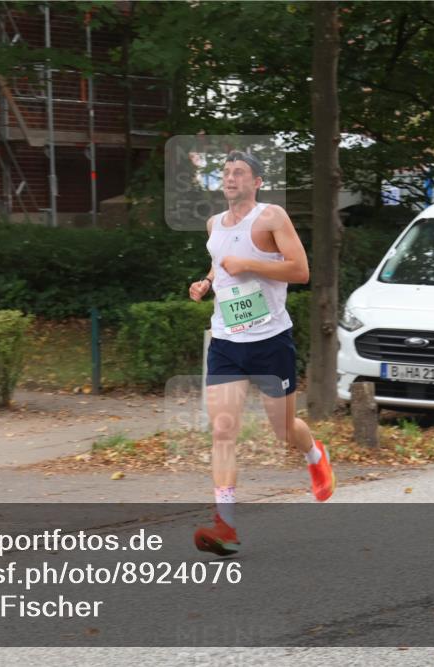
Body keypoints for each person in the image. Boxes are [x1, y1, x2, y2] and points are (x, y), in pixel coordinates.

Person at [188, 150, 335, 556]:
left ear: (256, 182)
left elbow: (301, 270)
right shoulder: (213, 225)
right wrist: (205, 282)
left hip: (270, 342)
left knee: (283, 429)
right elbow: (221, 265)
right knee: (222, 429)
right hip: (226, 343)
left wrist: (249, 263)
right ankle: (226, 524)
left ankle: (313, 452)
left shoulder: (272, 218)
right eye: (226, 172)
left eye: (239, 173)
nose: (231, 178)